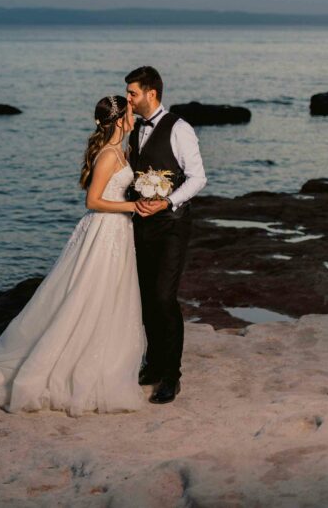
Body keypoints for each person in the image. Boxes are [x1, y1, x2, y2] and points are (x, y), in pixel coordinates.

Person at [0, 95, 148, 417]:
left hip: (118, 231)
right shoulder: (108, 155)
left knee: (109, 296)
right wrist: (132, 206)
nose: (134, 116)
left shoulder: (122, 151)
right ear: (120, 120)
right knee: (88, 295)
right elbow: (92, 201)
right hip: (105, 231)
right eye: (130, 112)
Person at [124, 66, 207, 404]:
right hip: (139, 225)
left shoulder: (179, 129)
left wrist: (167, 202)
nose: (128, 99)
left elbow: (198, 178)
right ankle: (154, 364)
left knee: (163, 298)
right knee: (145, 299)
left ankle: (171, 376)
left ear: (151, 94)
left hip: (172, 225)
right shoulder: (132, 129)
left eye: (132, 93)